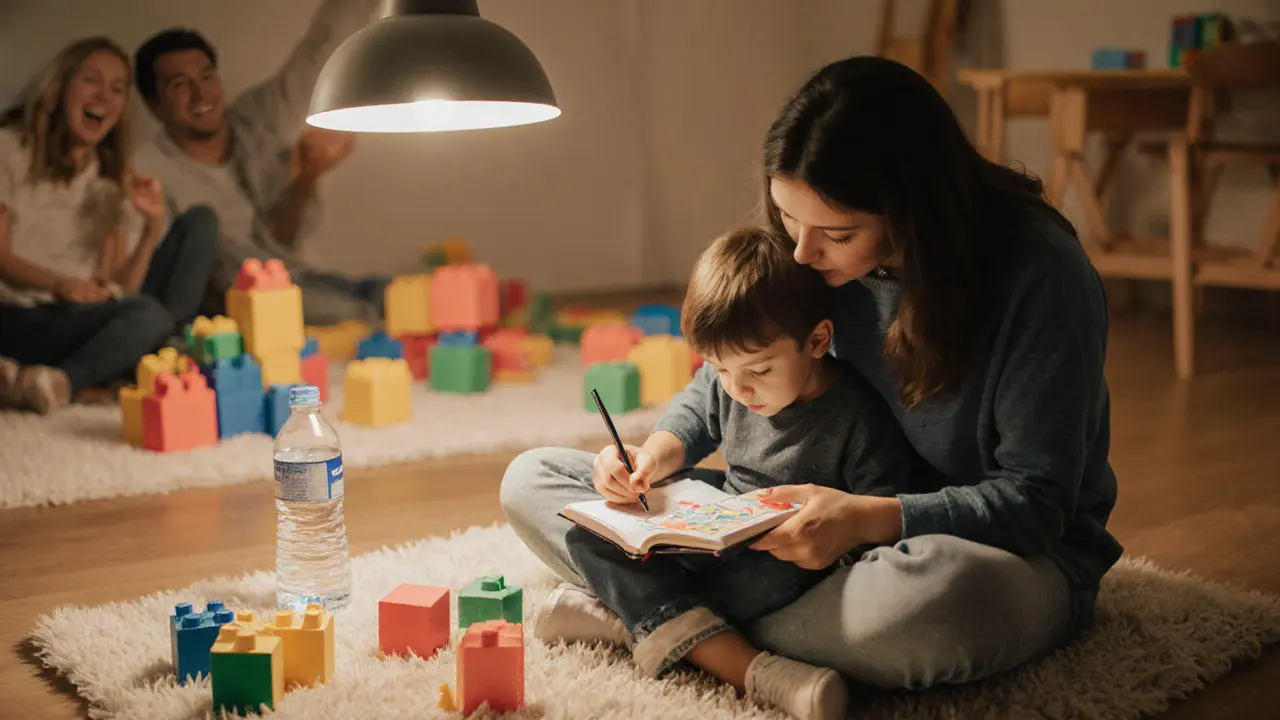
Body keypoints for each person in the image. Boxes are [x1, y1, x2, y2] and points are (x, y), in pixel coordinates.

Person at [500, 55, 1123, 700]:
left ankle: (656, 615)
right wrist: (653, 454)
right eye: (789, 219)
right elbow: (724, 379)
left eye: (836, 232)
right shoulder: (813, 255)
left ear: (912, 211)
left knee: (926, 610)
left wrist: (863, 520)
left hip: (983, 551)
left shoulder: (1041, 278)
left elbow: (1038, 504)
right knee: (535, 479)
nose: (801, 253)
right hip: (793, 524)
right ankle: (700, 627)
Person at [546, 227, 915, 719]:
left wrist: (837, 544)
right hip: (717, 519)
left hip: (784, 557)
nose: (737, 389)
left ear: (817, 340)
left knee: (771, 576)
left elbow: (880, 515)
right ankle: (684, 627)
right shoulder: (732, 377)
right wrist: (647, 460)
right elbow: (694, 415)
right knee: (586, 531)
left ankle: (634, 618)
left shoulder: (858, 415)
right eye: (719, 369)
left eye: (759, 371)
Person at [131, 0, 387, 326]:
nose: (200, 94)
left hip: (304, 278)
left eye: (207, 77)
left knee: (391, 294)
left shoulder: (254, 120)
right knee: (358, 316)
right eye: (180, 85)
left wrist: (308, 175)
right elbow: (181, 281)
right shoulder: (146, 172)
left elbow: (318, 53)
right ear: (155, 105)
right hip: (238, 309)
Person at [0, 37, 217, 414]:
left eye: (118, 89)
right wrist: (62, 284)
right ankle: (66, 381)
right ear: (62, 85)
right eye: (91, 80)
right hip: (22, 313)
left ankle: (140, 361)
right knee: (147, 316)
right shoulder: (10, 149)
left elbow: (121, 287)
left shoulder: (109, 177)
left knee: (201, 223)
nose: (105, 96)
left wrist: (151, 228)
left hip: (83, 318)